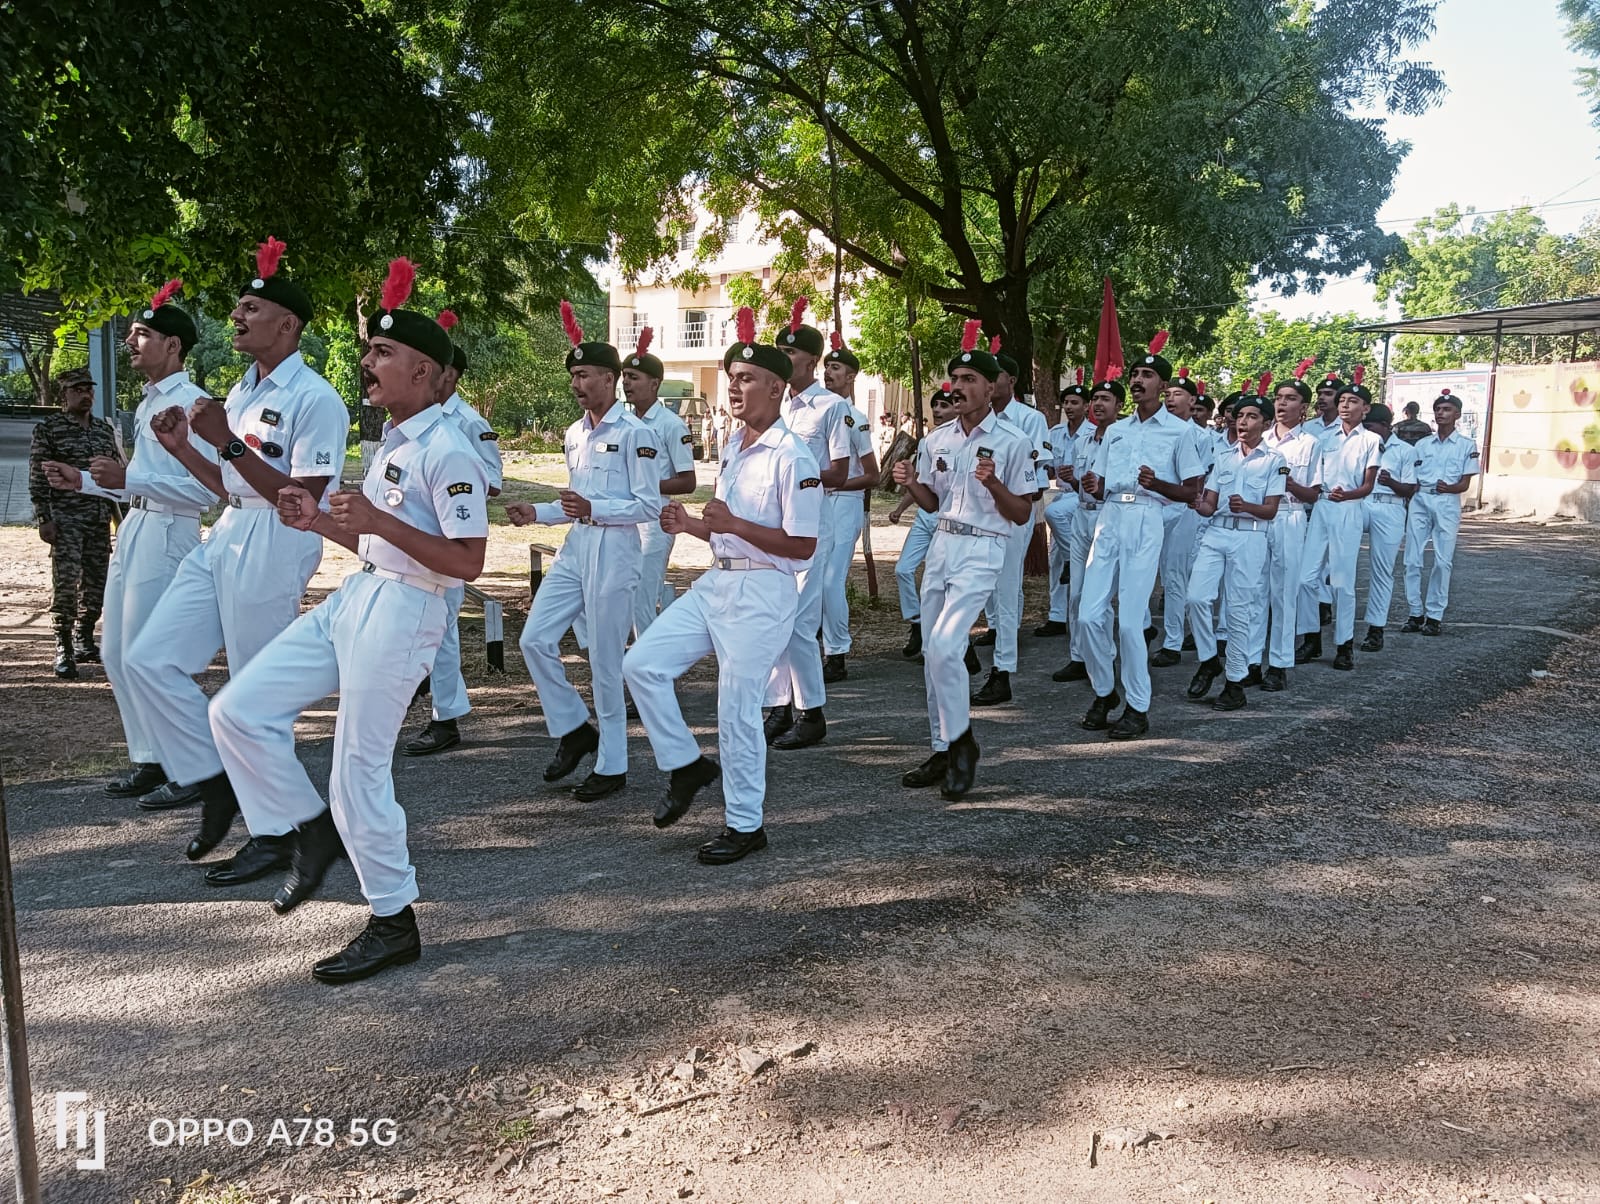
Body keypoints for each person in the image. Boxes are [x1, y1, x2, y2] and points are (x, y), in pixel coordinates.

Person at [208, 260, 489, 983]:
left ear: (425, 372)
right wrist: (320, 520)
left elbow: (467, 562)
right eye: (368, 351)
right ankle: (310, 827)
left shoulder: (448, 448)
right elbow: (371, 535)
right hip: (361, 594)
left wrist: (372, 524)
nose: (367, 362)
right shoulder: (394, 440)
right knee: (238, 709)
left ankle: (393, 920)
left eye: (383, 353)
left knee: (357, 769)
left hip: (407, 610)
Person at [121, 237, 350, 859]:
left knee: (253, 689)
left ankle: (277, 831)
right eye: (239, 307)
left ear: (288, 324)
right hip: (227, 531)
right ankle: (213, 778)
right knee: (150, 659)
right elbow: (228, 483)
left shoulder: (316, 398)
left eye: (251, 308)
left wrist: (222, 440)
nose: (238, 317)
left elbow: (301, 497)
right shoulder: (243, 390)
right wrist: (186, 451)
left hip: (278, 539)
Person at [622, 306, 821, 864]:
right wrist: (693, 526)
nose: (734, 388)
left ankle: (745, 824)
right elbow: (724, 531)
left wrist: (732, 525)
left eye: (747, 379)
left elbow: (801, 546)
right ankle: (688, 765)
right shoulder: (734, 447)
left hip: (765, 593)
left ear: (777, 387)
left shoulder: (793, 457)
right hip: (719, 582)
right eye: (731, 379)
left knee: (736, 707)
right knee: (642, 666)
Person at [40, 281, 219, 802]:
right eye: (132, 334)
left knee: (153, 653)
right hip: (138, 525)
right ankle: (151, 757)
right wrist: (84, 480)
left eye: (143, 335)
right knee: (118, 651)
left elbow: (205, 490)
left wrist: (127, 480)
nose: (132, 343)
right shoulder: (147, 405)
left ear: (173, 346)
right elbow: (131, 478)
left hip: (169, 529)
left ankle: (192, 766)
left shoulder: (192, 405)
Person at [506, 302, 661, 802]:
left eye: (586, 375)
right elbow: (575, 503)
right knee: (535, 639)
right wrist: (541, 512)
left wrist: (595, 506)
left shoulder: (636, 434)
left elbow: (647, 506)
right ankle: (575, 728)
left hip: (615, 551)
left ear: (612, 379)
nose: (577, 385)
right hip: (576, 548)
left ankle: (613, 764)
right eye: (573, 376)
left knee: (605, 660)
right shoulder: (575, 433)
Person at [893, 321, 1033, 799]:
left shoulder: (1013, 441)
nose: (960, 386)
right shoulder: (939, 441)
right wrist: (911, 482)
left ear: (992, 386)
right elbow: (933, 503)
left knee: (949, 644)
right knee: (933, 650)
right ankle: (942, 746)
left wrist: (994, 484)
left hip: (983, 546)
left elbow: (1021, 513)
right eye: (956, 378)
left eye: (971, 379)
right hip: (943, 545)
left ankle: (961, 742)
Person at [1077, 332, 1205, 740]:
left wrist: (1158, 484)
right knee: (1089, 614)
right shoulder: (1115, 431)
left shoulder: (1179, 432)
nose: (1137, 380)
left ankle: (1137, 706)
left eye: (1147, 375)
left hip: (1147, 517)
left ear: (1163, 386)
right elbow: (1097, 479)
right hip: (1110, 516)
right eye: (1134, 373)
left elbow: (1191, 491)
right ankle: (1104, 691)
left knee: (1131, 623)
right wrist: (1092, 484)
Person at [401, 311, 505, 757]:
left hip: (450, 538)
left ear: (450, 375)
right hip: (411, 541)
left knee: (442, 634)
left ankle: (446, 720)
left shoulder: (467, 424)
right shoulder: (411, 418)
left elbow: (494, 479)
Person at [763, 297, 852, 750]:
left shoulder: (831, 407)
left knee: (798, 622)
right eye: (780, 347)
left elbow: (840, 469)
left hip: (813, 523)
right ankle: (780, 706)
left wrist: (802, 477)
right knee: (777, 617)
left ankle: (812, 713)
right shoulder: (773, 402)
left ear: (813, 361)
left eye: (792, 351)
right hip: (773, 525)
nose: (784, 356)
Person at [1184, 394, 1286, 709]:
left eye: (1252, 416)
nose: (1243, 421)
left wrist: (1248, 506)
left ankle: (1234, 682)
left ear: (1267, 424)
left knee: (1238, 610)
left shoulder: (1274, 461)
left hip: (1250, 536)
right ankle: (1208, 658)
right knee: (1197, 597)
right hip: (1216, 532)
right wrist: (1198, 504)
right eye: (1240, 415)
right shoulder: (1223, 456)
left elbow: (1270, 511)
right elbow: (1210, 504)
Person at [971, 341, 1049, 706]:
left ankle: (1002, 668)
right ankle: (967, 649)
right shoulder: (970, 420)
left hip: (1012, 509)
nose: (989, 382)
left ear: (1010, 380)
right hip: (974, 515)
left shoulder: (1029, 421)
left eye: (994, 375)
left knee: (1006, 589)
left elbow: (1035, 476)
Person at [29, 366, 118, 679]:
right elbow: (39, 475)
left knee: (97, 583)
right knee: (66, 584)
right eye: (78, 390)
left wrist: (117, 518)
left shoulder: (104, 430)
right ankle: (63, 645)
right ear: (63, 395)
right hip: (65, 519)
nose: (86, 395)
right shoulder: (49, 429)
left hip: (97, 519)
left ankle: (84, 638)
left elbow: (116, 474)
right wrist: (44, 518)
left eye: (89, 389)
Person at [1294, 375, 1380, 670]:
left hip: (1349, 509)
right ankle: (1311, 638)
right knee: (1306, 577)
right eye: (1342, 401)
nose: (1345, 405)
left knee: (1343, 582)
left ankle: (1344, 645)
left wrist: (1348, 494)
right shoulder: (1323, 438)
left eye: (1352, 401)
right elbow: (1315, 476)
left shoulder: (1371, 440)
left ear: (1365, 409)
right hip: (1322, 507)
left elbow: (1368, 485)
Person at [618, 327, 697, 640]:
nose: (626, 383)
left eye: (634, 378)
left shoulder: (670, 425)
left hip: (656, 520)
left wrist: (645, 486)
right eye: (624, 376)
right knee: (618, 592)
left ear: (655, 384)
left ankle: (650, 666)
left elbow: (688, 481)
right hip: (627, 519)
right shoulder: (625, 423)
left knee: (643, 597)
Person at [1249, 373, 1323, 692]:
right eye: (1279, 397)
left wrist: (1289, 484)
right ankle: (1250, 661)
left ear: (1303, 407)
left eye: (1290, 398)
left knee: (1283, 591)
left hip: (1290, 515)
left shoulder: (1310, 443)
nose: (1282, 403)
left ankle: (1278, 663)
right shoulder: (1259, 440)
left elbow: (1314, 494)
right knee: (1253, 591)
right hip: (1257, 519)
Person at [1050, 379, 1122, 684]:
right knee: (1077, 592)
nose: (1098, 404)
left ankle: (1104, 654)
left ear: (1119, 405)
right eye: (1096, 399)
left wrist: (1101, 487)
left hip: (1109, 518)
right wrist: (1075, 480)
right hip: (1082, 514)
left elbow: (1124, 486)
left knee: (1100, 593)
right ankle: (1078, 655)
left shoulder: (1122, 439)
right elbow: (1082, 485)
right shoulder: (1083, 441)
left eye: (1105, 399)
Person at [819, 332, 880, 683]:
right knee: (810, 581)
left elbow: (871, 474)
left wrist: (834, 482)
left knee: (831, 582)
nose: (829, 372)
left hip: (843, 504)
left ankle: (837, 653)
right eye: (827, 366)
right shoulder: (812, 413)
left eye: (837, 367)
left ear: (852, 375)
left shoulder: (854, 418)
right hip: (816, 504)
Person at [1149, 368, 1215, 668]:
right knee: (1143, 573)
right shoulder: (1152, 430)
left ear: (1193, 401)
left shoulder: (1199, 436)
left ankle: (1173, 641)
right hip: (1151, 507)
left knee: (1175, 576)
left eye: (1178, 394)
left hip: (1183, 510)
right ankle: (1144, 626)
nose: (1171, 399)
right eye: (1168, 394)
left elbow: (1198, 478)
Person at [890, 384, 960, 663]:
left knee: (939, 581)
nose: (938, 411)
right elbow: (919, 483)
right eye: (936, 406)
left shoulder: (963, 441)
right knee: (903, 569)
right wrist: (899, 507)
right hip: (925, 516)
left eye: (945, 405)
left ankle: (941, 638)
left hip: (948, 519)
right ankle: (917, 623)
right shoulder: (929, 441)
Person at [1401, 389, 1479, 635]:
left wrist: (1451, 487)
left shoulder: (1466, 445)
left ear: (1457, 414)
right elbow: (1411, 476)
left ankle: (1434, 615)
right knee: (1412, 559)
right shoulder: (1423, 445)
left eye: (1446, 409)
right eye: (1438, 409)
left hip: (1446, 501)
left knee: (1442, 561)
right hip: (1421, 499)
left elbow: (1465, 483)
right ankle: (1415, 612)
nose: (1441, 413)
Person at [1357, 399, 1417, 651]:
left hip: (1390, 505)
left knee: (1382, 570)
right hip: (1361, 501)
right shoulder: (1358, 445)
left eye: (1370, 426)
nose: (1366, 430)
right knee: (1334, 559)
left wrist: (1390, 481)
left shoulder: (1404, 450)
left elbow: (1410, 489)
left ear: (1384, 425)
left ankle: (1376, 628)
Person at [1036, 376, 1089, 639]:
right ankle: (1057, 616)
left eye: (1075, 402)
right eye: (1066, 402)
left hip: (1082, 495)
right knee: (1055, 556)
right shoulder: (1055, 433)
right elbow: (1046, 461)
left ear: (1086, 405)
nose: (1069, 407)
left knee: (1053, 513)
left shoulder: (1092, 434)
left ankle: (1073, 560)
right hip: (1062, 493)